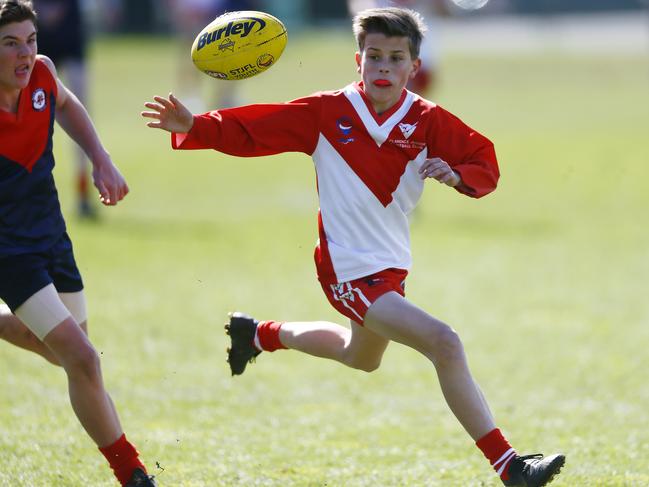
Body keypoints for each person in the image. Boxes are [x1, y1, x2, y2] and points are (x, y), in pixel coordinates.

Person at [142, 7, 565, 486]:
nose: (384, 67)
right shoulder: (328, 112)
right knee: (444, 343)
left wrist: (458, 175)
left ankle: (259, 334)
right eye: (374, 56)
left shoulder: (427, 120)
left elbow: (482, 159)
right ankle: (510, 465)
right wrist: (194, 125)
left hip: (389, 268)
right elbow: (255, 129)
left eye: (396, 58)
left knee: (359, 356)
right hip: (345, 268)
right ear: (358, 60)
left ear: (414, 67)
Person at [0, 1, 156, 485]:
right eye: (10, 44)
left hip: (52, 233)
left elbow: (66, 104)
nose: (25, 54)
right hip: (8, 251)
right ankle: (133, 473)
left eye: (31, 41)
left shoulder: (44, 75)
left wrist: (100, 158)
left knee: (68, 353)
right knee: (84, 360)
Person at [32, 0, 96, 218]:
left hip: (70, 34)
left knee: (80, 111)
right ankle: (28, 191)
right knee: (29, 116)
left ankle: (83, 192)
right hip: (37, 35)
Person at [348, 0, 450, 96]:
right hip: (385, 48)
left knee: (409, 103)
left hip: (420, 53)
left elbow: (444, 12)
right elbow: (360, 9)